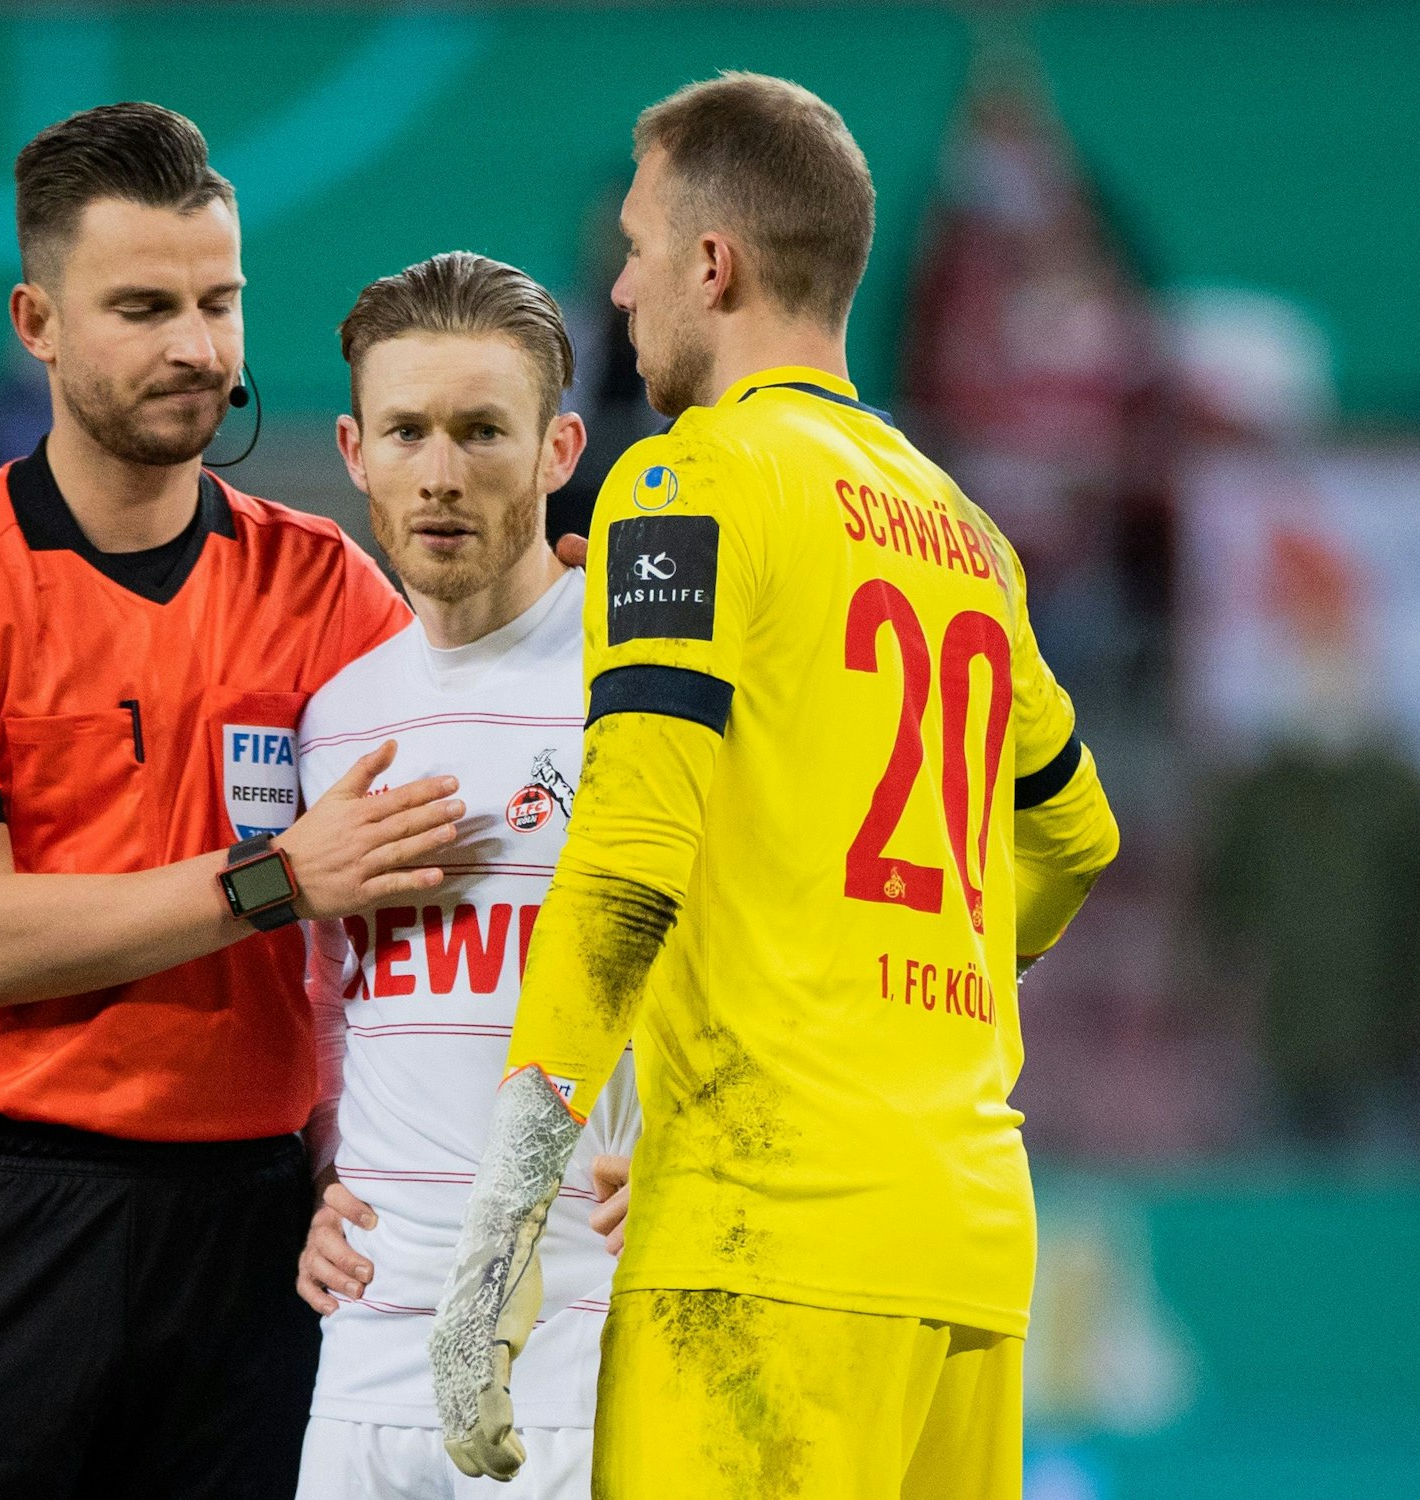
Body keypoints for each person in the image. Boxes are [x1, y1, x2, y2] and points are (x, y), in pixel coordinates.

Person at [429, 73, 1121, 1497]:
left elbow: (626, 855)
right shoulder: (963, 532)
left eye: (632, 247)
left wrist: (504, 1218)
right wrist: (892, 987)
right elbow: (1077, 835)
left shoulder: (688, 485)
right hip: (967, 1247)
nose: (614, 288)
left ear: (712, 264)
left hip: (766, 1239)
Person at [0, 103, 467, 1500]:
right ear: (36, 321)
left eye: (219, 300)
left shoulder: (330, 588)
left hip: (250, 1233)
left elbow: (462, 834)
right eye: (144, 306)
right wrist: (278, 878)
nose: (196, 346)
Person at [292, 253, 640, 1499]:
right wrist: (313, 1182)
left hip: (582, 1332)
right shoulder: (335, 718)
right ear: (353, 449)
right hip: (370, 1337)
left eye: (481, 431)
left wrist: (696, 1153)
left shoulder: (641, 683)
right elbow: (327, 1005)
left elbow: (769, 950)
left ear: (558, 449)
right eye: (407, 431)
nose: (440, 473)